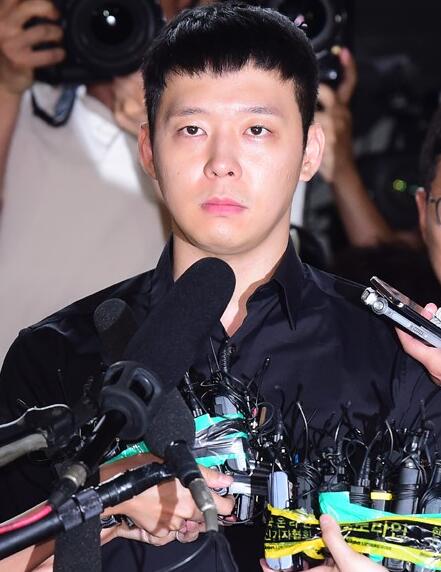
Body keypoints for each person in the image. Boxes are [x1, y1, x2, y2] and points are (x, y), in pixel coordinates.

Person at [1, 3, 440, 571]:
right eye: (192, 129)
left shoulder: (396, 354)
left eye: (257, 130)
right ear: (149, 150)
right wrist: (107, 495)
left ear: (309, 151)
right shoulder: (54, 354)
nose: (222, 163)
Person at [0, 0, 173, 363]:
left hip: (121, 389)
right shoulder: (23, 90)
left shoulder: (214, 125)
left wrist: (169, 132)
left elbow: (216, 275)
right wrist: (6, 83)